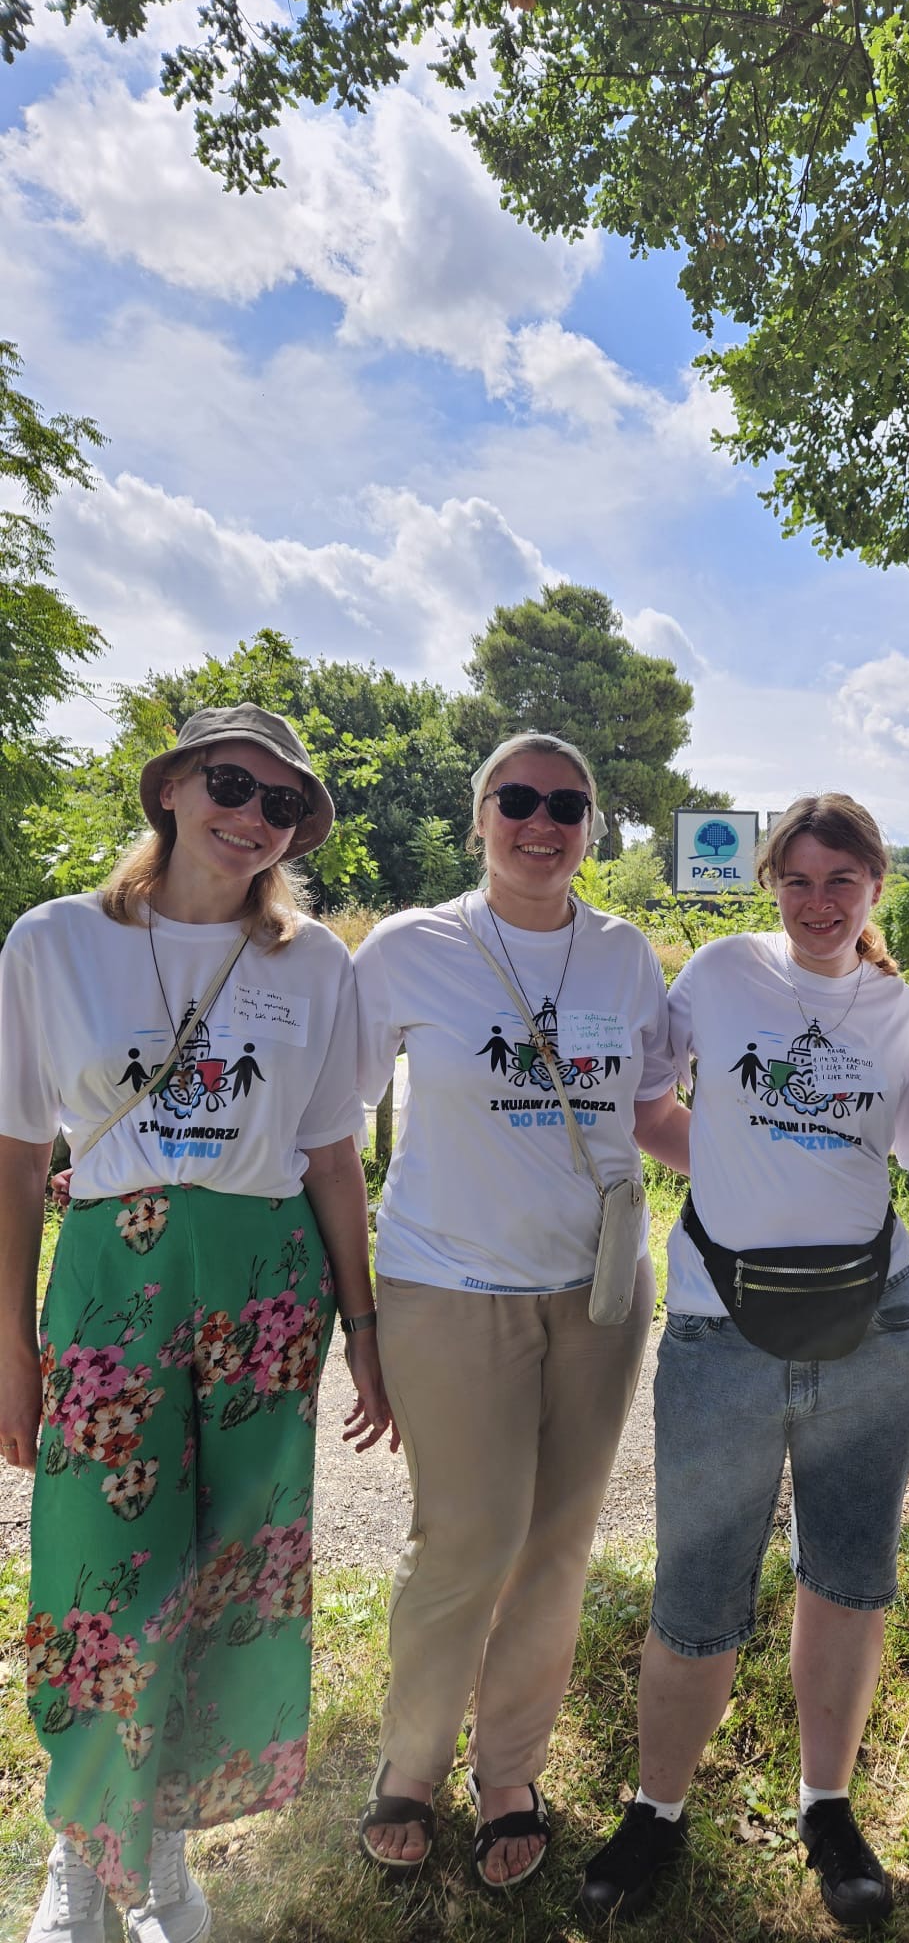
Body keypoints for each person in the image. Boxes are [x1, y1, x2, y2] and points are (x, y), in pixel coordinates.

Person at [0, 704, 391, 1943]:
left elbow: (331, 1154)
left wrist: (365, 1325)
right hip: (110, 1282)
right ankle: (82, 1854)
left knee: (233, 1567)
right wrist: (7, 1338)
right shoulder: (56, 940)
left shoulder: (313, 962)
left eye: (282, 803)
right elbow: (18, 1158)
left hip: (266, 1285)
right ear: (171, 787)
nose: (253, 815)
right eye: (232, 782)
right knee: (97, 1571)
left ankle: (161, 1848)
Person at [581, 794, 909, 1933]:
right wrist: (734, 1167)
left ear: (876, 885)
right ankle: (657, 1809)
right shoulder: (723, 972)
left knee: (848, 1575)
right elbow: (647, 1105)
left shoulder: (903, 1012)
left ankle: (827, 1807)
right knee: (696, 1586)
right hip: (718, 1325)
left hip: (875, 1330)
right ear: (770, 883)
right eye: (797, 879)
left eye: (842, 880)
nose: (819, 902)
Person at [351, 732, 683, 1894]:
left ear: (594, 825)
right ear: (479, 813)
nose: (543, 823)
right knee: (466, 1538)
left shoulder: (624, 953)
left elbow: (651, 1110)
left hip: (599, 1292)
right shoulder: (409, 947)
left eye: (568, 805)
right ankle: (411, 1761)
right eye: (519, 800)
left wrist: (798, 1170)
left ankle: (510, 1773)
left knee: (556, 1544)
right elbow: (329, 1121)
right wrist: (348, 1306)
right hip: (448, 1285)